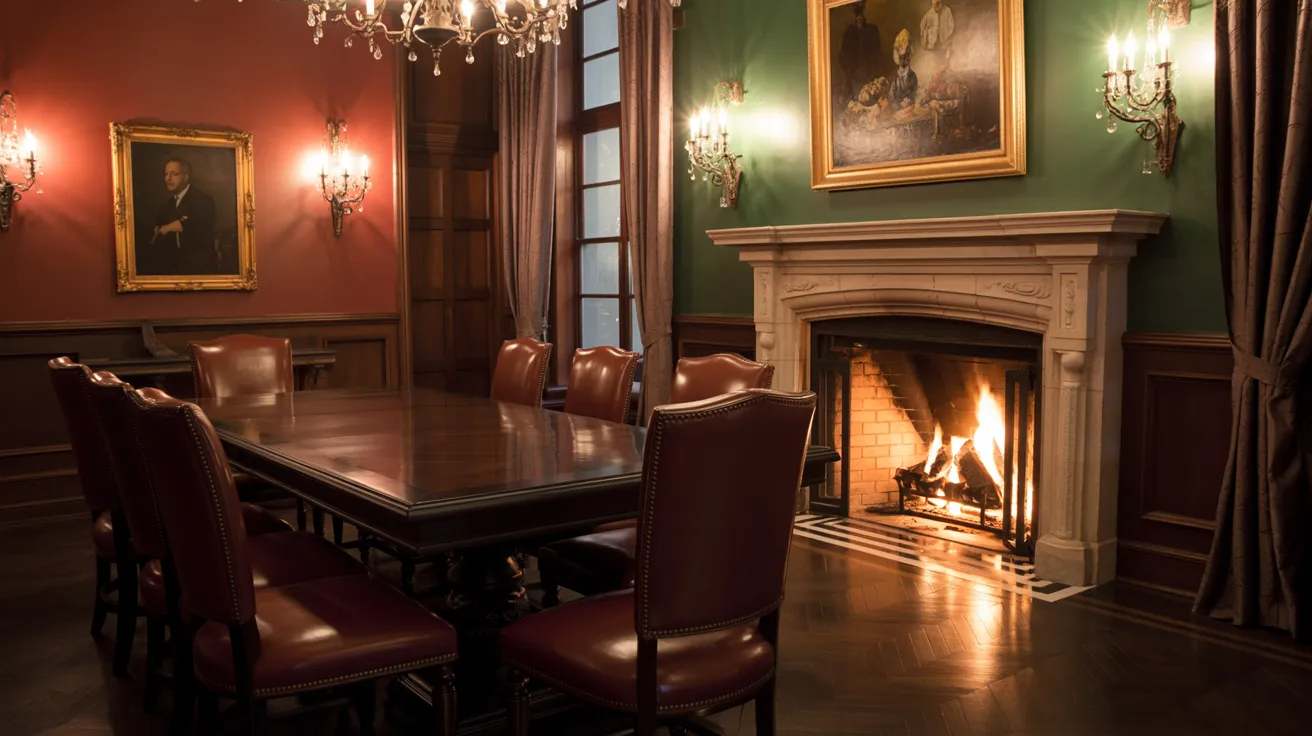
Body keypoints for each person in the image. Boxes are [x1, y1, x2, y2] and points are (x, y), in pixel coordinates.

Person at [142, 158, 216, 275]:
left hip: (197, 265)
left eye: (174, 174)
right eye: (166, 174)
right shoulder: (168, 205)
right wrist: (157, 230)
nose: (168, 179)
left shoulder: (202, 200)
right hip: (173, 263)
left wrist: (168, 228)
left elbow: (196, 225)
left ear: (186, 177)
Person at [838, 2, 882, 103]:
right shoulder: (849, 32)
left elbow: (876, 53)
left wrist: (871, 72)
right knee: (857, 100)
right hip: (855, 74)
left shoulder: (872, 30)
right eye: (857, 9)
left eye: (861, 8)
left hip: (868, 73)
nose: (859, 18)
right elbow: (844, 56)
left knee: (869, 99)